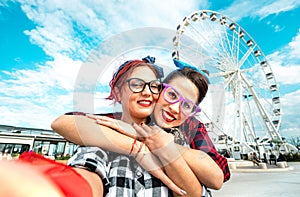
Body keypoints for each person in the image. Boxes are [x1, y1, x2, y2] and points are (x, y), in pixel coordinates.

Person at [52, 57, 226, 196]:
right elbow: (68, 124)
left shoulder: (190, 127)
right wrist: (139, 145)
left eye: (187, 106)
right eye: (171, 94)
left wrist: (160, 142)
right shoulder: (109, 129)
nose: (175, 108)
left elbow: (217, 176)